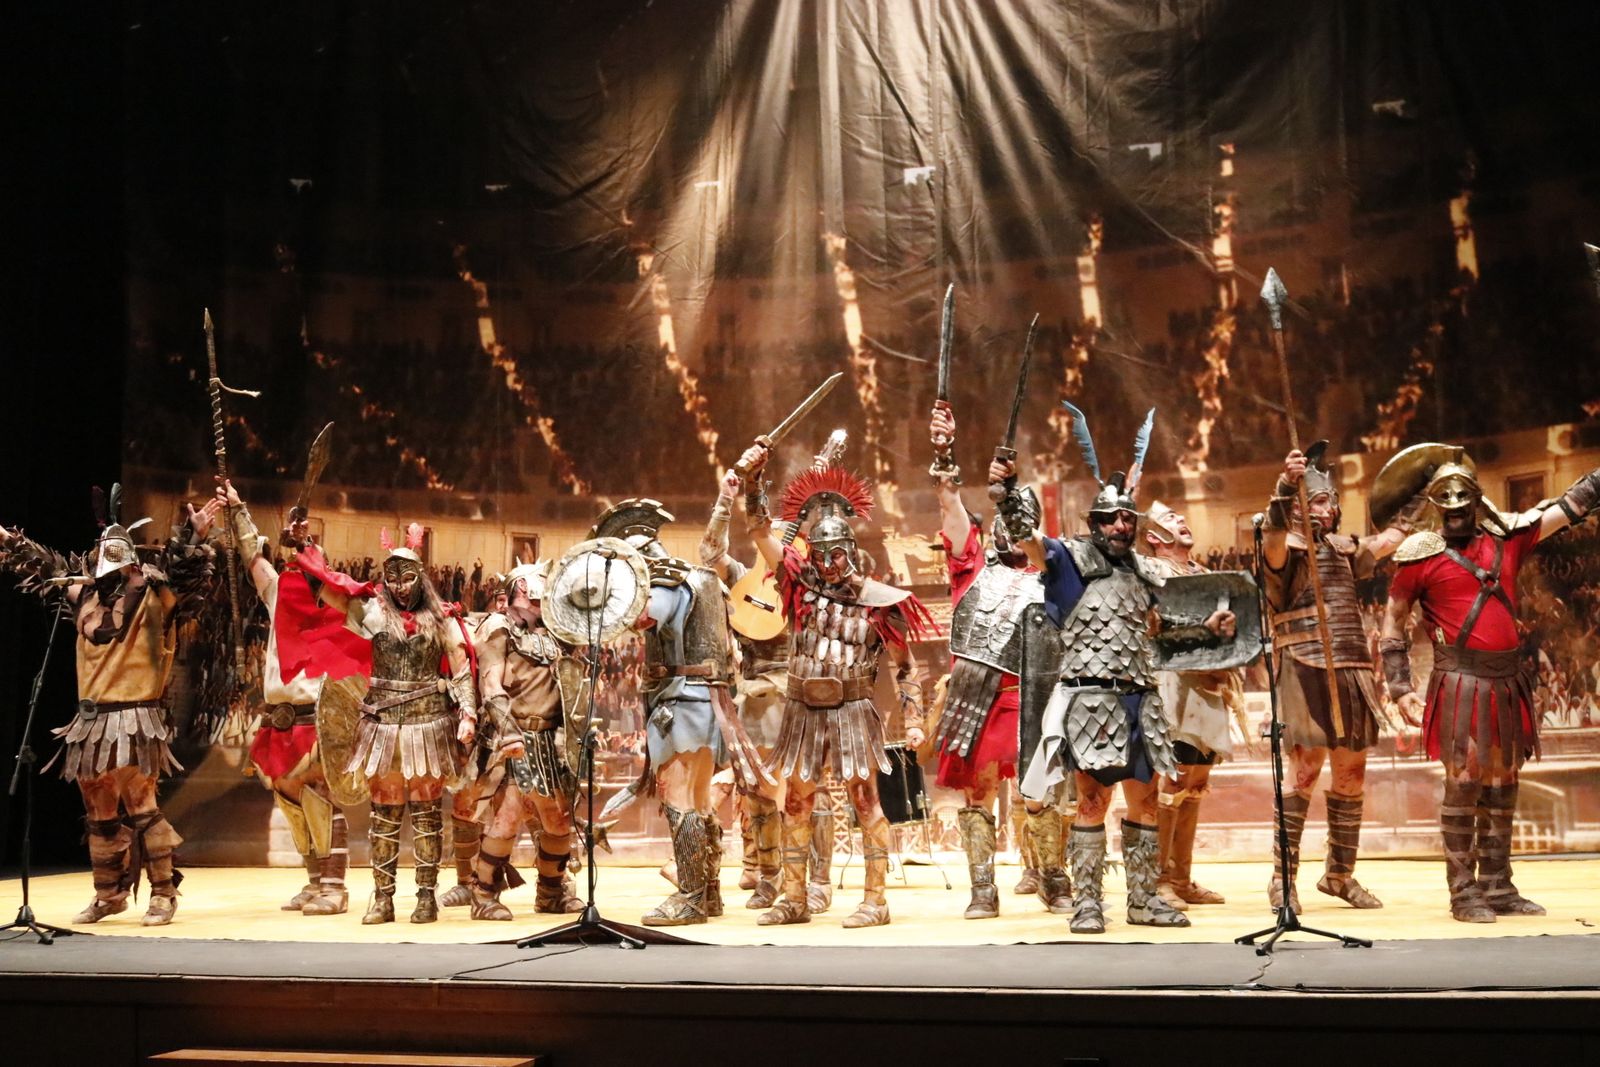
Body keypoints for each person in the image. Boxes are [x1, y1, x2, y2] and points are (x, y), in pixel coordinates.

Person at [1005, 406, 1234, 933]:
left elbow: (1165, 625)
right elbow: (1027, 538)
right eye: (1110, 518)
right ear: (1095, 523)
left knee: (1147, 801)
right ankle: (1088, 903)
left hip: (1140, 698)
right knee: (1091, 802)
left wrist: (1209, 626)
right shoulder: (1067, 561)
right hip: (1091, 701)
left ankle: (1143, 900)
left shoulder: (1145, 571)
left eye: (1127, 518)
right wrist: (1010, 489)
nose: (1120, 526)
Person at [1380, 448, 1600, 921]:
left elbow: (1567, 507)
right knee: (1463, 783)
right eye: (1447, 503)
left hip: (1507, 678)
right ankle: (1463, 892)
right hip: (1459, 678)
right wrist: (1400, 687)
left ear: (1478, 501)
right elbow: (1393, 624)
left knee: (1503, 782)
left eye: (1464, 501)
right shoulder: (1419, 557)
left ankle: (1498, 885)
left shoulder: (1510, 539)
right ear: (1437, 505)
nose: (1456, 509)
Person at [0, 485, 217, 925]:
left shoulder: (156, 595)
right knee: (98, 811)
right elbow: (47, 570)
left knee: (141, 804)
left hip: (136, 717)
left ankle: (162, 892)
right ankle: (108, 893)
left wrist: (192, 536)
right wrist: (11, 542)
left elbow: (185, 571)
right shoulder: (85, 598)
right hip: (91, 721)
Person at [738, 442, 933, 928]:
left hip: (852, 712)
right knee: (797, 802)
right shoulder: (796, 586)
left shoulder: (877, 601)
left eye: (836, 552)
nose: (827, 561)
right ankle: (795, 897)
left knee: (865, 802)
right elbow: (761, 532)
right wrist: (753, 482)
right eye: (820, 553)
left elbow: (906, 669)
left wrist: (913, 720)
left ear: (851, 550)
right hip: (803, 711)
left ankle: (876, 899)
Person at [596, 499, 770, 927]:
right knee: (698, 800)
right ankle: (708, 892)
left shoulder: (664, 582)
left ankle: (690, 896)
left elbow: (640, 618)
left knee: (680, 799)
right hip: (704, 700)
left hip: (683, 703)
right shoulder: (700, 579)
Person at [297, 524, 478, 924]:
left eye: (408, 576)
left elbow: (462, 670)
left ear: (421, 578)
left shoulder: (442, 620)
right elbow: (324, 587)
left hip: (429, 723)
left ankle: (427, 897)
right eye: (393, 577)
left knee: (427, 815)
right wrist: (305, 547)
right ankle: (382, 898)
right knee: (385, 814)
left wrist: (468, 714)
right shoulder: (371, 612)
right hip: (381, 725)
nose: (400, 586)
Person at [927, 402, 1067, 919]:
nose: (1010, 531)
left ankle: (1053, 874)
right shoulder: (970, 567)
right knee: (977, 796)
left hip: (1030, 698)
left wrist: (1010, 490)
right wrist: (944, 451)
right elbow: (949, 504)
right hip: (977, 697)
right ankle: (983, 889)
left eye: (1019, 521)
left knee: (1039, 795)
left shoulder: (1051, 574)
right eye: (1005, 522)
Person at [1260, 443, 1409, 912]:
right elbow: (1273, 535)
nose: (1328, 508)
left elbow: (1392, 539)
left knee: (1352, 772)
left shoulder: (1344, 550)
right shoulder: (1284, 551)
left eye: (1329, 501)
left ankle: (1340, 875)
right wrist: (1286, 486)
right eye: (1318, 501)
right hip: (1305, 665)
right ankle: (1283, 880)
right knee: (1304, 773)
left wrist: (1424, 493)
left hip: (1352, 669)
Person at [216, 480, 369, 916]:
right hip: (279, 718)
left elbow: (324, 580)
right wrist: (239, 510)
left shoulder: (338, 601)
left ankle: (335, 887)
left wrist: (302, 544)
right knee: (291, 800)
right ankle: (314, 881)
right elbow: (254, 559)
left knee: (320, 796)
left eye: (299, 558)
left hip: (316, 718)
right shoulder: (279, 594)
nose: (289, 563)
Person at [1139, 501, 1251, 912]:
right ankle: (1159, 879)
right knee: (1170, 781)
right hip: (1168, 682)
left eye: (1180, 518)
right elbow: (1150, 628)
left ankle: (1182, 877)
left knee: (1194, 783)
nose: (1181, 521)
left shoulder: (1204, 574)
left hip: (1206, 685)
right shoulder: (1148, 571)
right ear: (1153, 536)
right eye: (1170, 520)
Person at [463, 562, 585, 919]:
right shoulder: (499, 628)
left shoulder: (551, 634)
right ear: (520, 587)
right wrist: (507, 732)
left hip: (550, 740)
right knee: (508, 817)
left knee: (558, 819)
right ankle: (483, 894)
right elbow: (491, 684)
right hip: (515, 737)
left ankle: (550, 892)